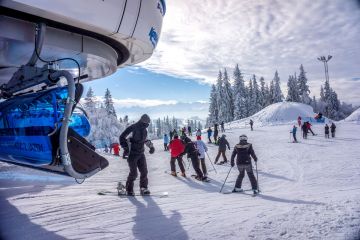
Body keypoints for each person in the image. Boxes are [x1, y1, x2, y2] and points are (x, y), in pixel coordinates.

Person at [119, 114, 155, 196]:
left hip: (141, 153)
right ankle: (129, 189)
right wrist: (126, 148)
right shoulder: (133, 128)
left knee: (144, 172)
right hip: (132, 154)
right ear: (143, 121)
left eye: (148, 124)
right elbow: (122, 137)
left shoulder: (144, 130)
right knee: (134, 173)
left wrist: (151, 147)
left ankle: (143, 188)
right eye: (147, 123)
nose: (147, 125)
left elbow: (145, 140)